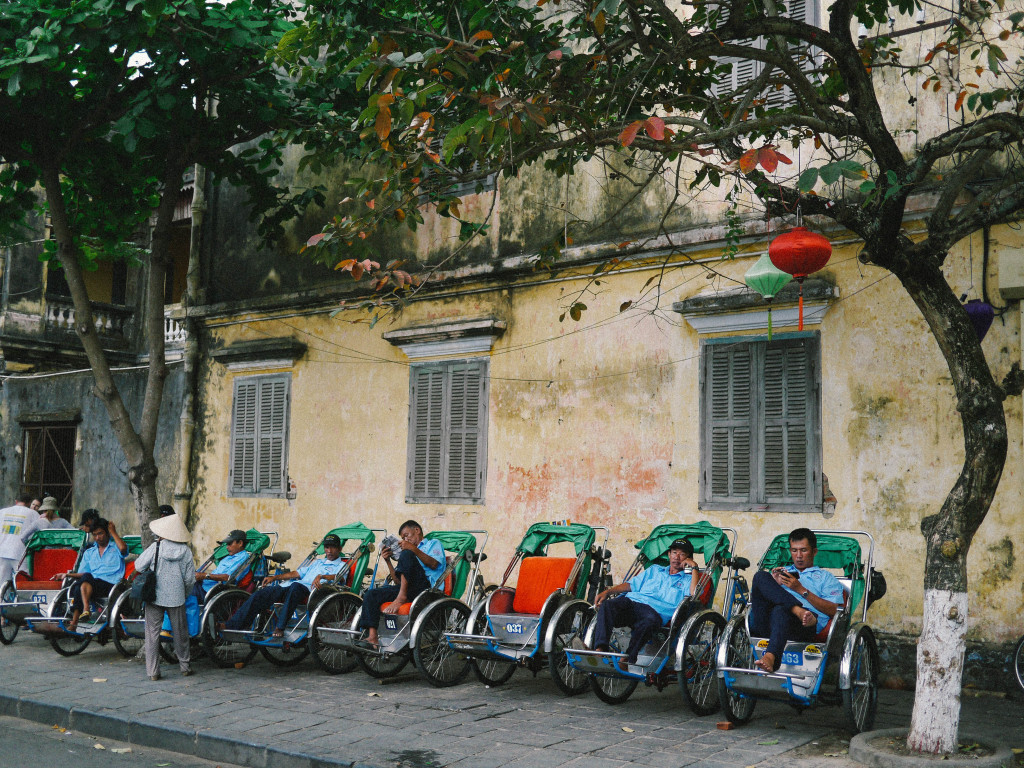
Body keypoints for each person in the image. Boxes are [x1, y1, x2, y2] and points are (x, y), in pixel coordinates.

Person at [590, 538, 700, 670]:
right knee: (608, 605)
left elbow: (694, 595)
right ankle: (599, 651)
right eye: (674, 552)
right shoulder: (654, 570)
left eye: (682, 554)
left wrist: (694, 568)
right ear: (669, 554)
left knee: (649, 620)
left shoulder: (688, 579)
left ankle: (626, 658)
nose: (677, 557)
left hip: (654, 612)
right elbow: (631, 585)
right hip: (632, 603)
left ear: (688, 558)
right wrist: (608, 592)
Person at [749, 527, 846, 673]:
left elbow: (834, 610)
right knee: (760, 576)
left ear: (814, 552)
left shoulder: (827, 578)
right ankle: (796, 609)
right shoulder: (783, 572)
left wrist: (801, 590)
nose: (798, 556)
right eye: (794, 550)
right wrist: (774, 584)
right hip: (768, 623)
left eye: (803, 550)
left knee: (780, 610)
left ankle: (771, 656)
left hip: (804, 624)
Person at [222, 533, 346, 638]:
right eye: (327, 547)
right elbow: (297, 573)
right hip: (294, 586)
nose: (329, 551)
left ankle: (280, 627)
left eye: (333, 548)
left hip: (314, 592)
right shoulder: (318, 562)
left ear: (339, 549)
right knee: (261, 593)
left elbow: (339, 578)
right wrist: (274, 578)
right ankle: (232, 625)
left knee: (295, 587)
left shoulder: (342, 565)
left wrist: (322, 576)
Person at [357, 520, 444, 648]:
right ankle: (372, 637)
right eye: (403, 538)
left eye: (406, 535)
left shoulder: (433, 543)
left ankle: (401, 597)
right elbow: (398, 581)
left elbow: (434, 564)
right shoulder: (407, 553)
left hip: (427, 589)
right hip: (407, 588)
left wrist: (412, 549)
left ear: (417, 530)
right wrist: (388, 561)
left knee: (407, 553)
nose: (405, 539)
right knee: (371, 594)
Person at [135, 513, 196, 680]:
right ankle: (185, 666)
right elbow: (190, 579)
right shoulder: (185, 551)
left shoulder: (156, 547)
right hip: (177, 596)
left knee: (152, 634)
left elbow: (139, 565)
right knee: (180, 633)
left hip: (154, 595)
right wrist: (184, 593)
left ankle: (153, 672)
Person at [54, 517, 128, 631]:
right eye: (95, 535)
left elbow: (123, 548)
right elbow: (83, 573)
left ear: (106, 533)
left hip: (112, 585)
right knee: (78, 584)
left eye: (100, 533)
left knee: (84, 580)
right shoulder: (89, 552)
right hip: (92, 584)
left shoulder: (116, 547)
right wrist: (67, 575)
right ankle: (84, 610)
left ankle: (75, 621)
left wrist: (113, 532)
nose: (98, 538)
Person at [0, 493, 46, 588]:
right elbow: (39, 533)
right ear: (29, 503)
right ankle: (23, 602)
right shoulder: (33, 514)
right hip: (20, 553)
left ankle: (3, 602)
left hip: (2, 552)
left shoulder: (2, 512)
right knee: (23, 582)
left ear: (16, 501)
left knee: (2, 584)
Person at [193, 529, 250, 602]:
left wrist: (204, 576)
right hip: (204, 584)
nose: (227, 547)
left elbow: (228, 577)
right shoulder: (229, 556)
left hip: (212, 591)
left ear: (240, 543)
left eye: (230, 543)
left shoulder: (243, 557)